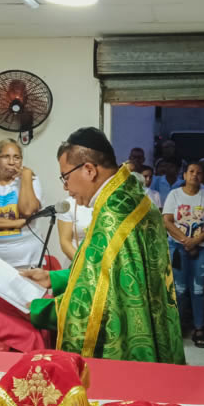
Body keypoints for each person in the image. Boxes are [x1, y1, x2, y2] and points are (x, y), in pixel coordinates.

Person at [24, 127, 184, 364]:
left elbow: (94, 306)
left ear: (89, 170)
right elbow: (108, 272)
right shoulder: (128, 196)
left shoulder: (113, 215)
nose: (66, 187)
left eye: (65, 177)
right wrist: (53, 278)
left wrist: (36, 310)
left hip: (127, 345)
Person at [162, 162, 204, 348]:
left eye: (199, 173)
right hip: (178, 248)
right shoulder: (174, 195)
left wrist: (196, 241)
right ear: (185, 175)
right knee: (179, 289)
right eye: (191, 171)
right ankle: (177, 327)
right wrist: (186, 241)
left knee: (198, 289)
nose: (195, 175)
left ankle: (199, 327)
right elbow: (167, 221)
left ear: (203, 177)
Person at [0, 139, 44, 269]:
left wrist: (26, 176)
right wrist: (16, 223)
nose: (12, 162)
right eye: (6, 157)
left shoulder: (32, 181)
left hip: (28, 257)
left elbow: (27, 211)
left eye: (16, 157)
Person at [56, 195, 92, 268]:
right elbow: (65, 242)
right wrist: (85, 265)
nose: (66, 189)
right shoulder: (68, 204)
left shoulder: (110, 200)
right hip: (77, 263)